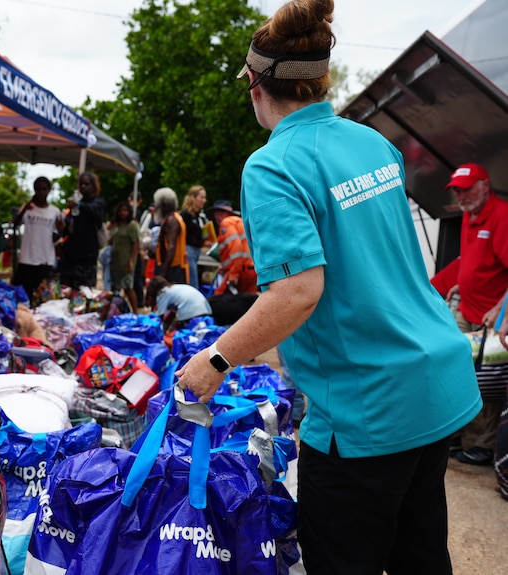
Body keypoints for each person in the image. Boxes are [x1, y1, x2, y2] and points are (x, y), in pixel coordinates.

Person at [173, 2, 481, 574]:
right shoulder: (371, 143)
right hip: (432, 377)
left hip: (369, 403)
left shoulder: (273, 165)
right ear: (320, 81)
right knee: (420, 556)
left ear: (257, 87)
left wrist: (213, 361)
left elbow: (297, 292)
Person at [434, 163, 508, 466]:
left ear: (485, 186)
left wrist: (500, 309)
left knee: (485, 380)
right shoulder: (468, 215)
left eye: (467, 188)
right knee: (458, 373)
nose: (461, 195)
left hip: (491, 317)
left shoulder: (501, 216)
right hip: (467, 307)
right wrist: (456, 283)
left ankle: (482, 444)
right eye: (457, 190)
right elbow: (471, 258)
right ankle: (460, 436)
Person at [12, 176, 62, 297]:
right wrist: (25, 208)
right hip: (27, 258)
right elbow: (15, 224)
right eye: (38, 189)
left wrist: (60, 230)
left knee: (41, 296)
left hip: (45, 259)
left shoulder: (54, 211)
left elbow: (57, 234)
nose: (41, 192)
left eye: (44, 189)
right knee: (24, 295)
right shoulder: (28, 208)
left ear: (49, 190)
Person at [58, 172, 106, 289]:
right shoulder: (74, 204)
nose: (83, 186)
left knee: (85, 289)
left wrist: (79, 205)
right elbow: (67, 228)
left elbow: (95, 211)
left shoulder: (97, 201)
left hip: (87, 256)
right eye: (81, 184)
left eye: (86, 184)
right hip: (70, 255)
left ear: (93, 186)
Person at [205, 200, 258, 295]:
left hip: (241, 271)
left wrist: (234, 273)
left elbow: (236, 249)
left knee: (218, 299)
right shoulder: (239, 222)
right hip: (252, 271)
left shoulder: (226, 223)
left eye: (218, 213)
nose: (216, 217)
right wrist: (225, 268)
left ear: (224, 213)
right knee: (247, 303)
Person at [107, 201, 141, 313]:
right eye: (121, 210)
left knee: (128, 288)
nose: (123, 213)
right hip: (115, 261)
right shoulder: (117, 226)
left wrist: (130, 261)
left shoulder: (132, 225)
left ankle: (135, 311)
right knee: (114, 288)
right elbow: (110, 241)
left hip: (126, 261)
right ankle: (115, 310)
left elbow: (136, 243)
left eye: (125, 210)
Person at [144, 276, 211, 330]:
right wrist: (166, 328)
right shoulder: (174, 288)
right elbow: (172, 314)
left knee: (181, 333)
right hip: (205, 310)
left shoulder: (162, 293)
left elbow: (159, 318)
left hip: (191, 313)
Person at [153, 187, 189, 285]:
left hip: (173, 268)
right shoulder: (176, 217)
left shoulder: (171, 220)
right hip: (178, 265)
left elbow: (171, 247)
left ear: (163, 205)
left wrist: (162, 274)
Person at [180, 185, 208, 288]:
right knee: (192, 283)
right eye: (201, 197)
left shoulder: (197, 216)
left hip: (195, 251)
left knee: (193, 281)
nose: (204, 200)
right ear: (193, 197)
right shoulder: (185, 215)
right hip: (188, 251)